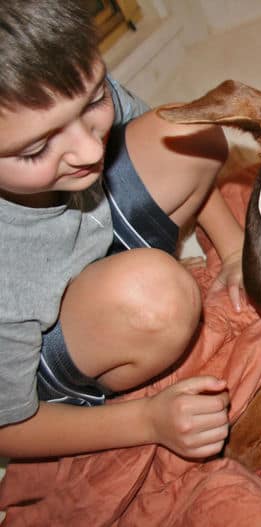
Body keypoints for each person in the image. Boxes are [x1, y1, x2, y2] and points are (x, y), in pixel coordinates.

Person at [0, 0, 246, 460]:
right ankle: (128, 306)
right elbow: (8, 428)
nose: (88, 149)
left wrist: (233, 248)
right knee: (159, 295)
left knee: (190, 129)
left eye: (94, 100)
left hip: (93, 233)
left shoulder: (65, 96)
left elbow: (150, 132)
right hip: (55, 343)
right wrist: (148, 421)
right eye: (36, 149)